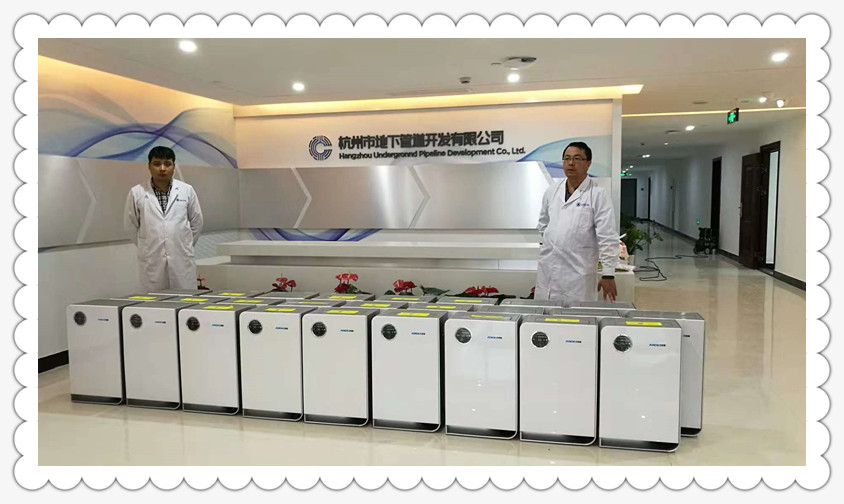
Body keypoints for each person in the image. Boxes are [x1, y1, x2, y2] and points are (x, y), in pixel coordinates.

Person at [535, 141, 619, 303]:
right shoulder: (552, 191)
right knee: (546, 314)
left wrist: (608, 274)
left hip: (579, 275)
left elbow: (607, 236)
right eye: (567, 158)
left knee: (577, 316)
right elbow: (543, 224)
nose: (571, 163)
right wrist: (556, 241)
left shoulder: (597, 194)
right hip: (549, 269)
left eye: (577, 158)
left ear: (588, 164)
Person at [124, 146, 204, 292]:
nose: (162, 168)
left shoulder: (187, 190)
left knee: (185, 300)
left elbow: (196, 222)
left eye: (167, 164)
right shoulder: (137, 192)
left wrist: (183, 244)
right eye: (157, 164)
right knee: (155, 301)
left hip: (181, 258)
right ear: (149, 166)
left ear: (174, 166)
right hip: (152, 260)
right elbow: (131, 226)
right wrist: (147, 245)